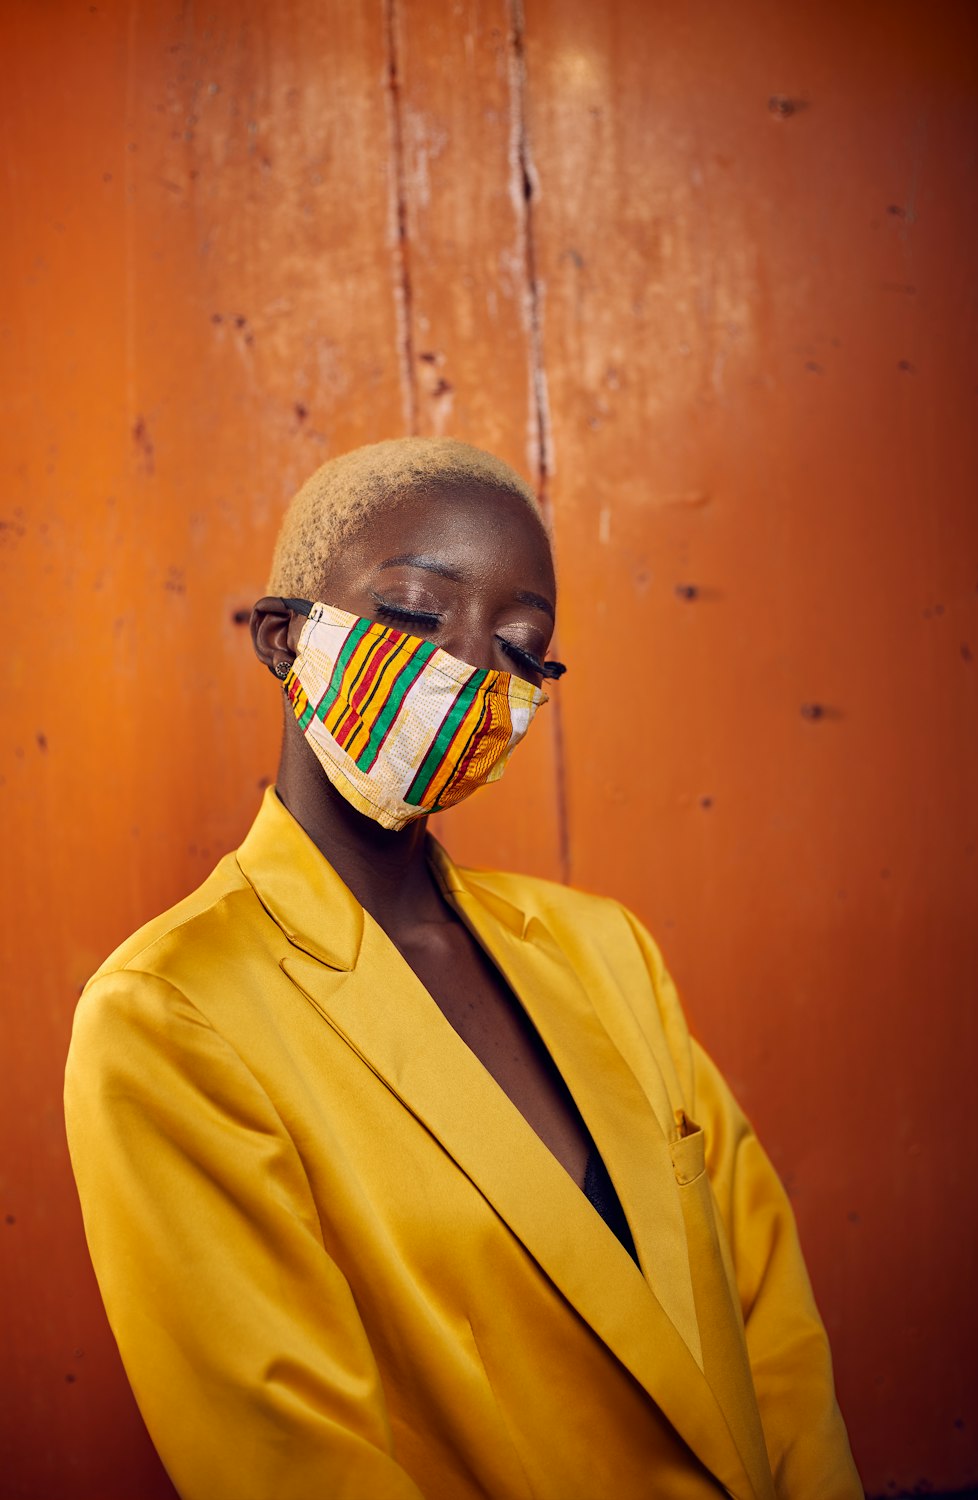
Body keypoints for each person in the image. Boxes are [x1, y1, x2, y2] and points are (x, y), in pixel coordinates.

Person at [65, 438, 862, 1500]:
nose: (468, 670)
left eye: (522, 647)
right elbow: (298, 1462)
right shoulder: (168, 1016)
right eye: (410, 615)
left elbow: (770, 1324)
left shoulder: (605, 949)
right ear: (281, 638)